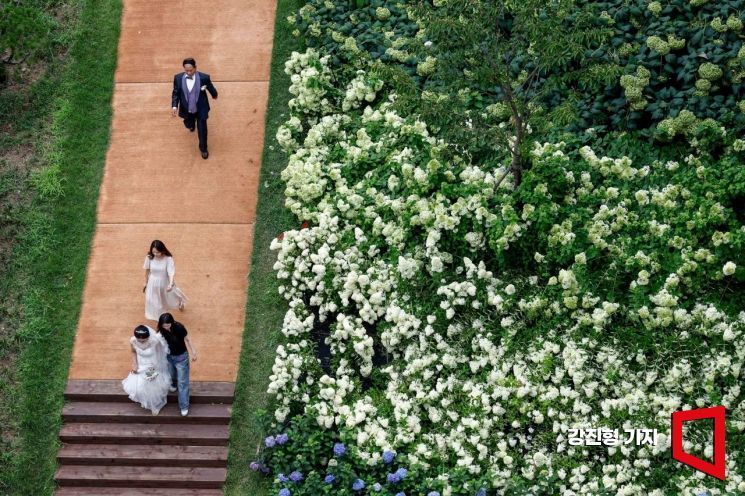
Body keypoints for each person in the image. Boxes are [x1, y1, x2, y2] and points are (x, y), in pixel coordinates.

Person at [171, 57, 218, 159]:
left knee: (202, 129)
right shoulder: (178, 78)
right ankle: (191, 125)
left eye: (190, 70)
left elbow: (211, 88)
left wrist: (214, 95)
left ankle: (203, 149)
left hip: (201, 108)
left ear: (195, 68)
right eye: (186, 70)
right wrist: (174, 106)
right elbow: (176, 93)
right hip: (187, 109)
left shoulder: (204, 78)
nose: (188, 72)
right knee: (189, 123)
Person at [122, 325, 172, 415]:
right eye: (139, 340)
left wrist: (156, 367)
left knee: (152, 388)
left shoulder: (154, 341)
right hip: (140, 366)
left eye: (144, 340)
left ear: (148, 337)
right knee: (140, 388)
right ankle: (145, 402)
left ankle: (155, 406)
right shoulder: (133, 340)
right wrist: (135, 364)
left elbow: (160, 353)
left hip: (152, 366)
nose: (141, 342)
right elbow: (133, 352)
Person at [158, 312, 198, 416]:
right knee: (171, 373)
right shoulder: (161, 330)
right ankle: (174, 384)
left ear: (172, 322)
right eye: (164, 325)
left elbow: (187, 339)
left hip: (181, 358)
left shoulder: (179, 328)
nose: (166, 327)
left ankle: (184, 406)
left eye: (168, 325)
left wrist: (193, 351)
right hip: (169, 356)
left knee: (183, 383)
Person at [143, 240, 187, 321]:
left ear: (162, 250)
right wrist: (146, 282)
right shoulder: (149, 257)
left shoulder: (168, 259)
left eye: (157, 252)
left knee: (169, 299)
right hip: (152, 283)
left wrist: (170, 284)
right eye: (154, 252)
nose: (155, 254)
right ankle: (160, 318)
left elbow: (171, 272)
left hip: (164, 283)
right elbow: (147, 271)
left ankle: (180, 301)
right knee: (153, 301)